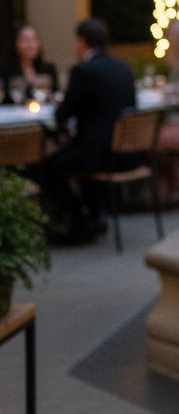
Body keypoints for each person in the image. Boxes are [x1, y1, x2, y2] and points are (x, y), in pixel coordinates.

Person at [28, 18, 136, 244]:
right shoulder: (123, 68)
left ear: (81, 41)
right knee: (68, 157)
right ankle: (92, 215)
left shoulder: (84, 71)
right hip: (129, 153)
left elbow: (63, 115)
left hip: (98, 154)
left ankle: (78, 217)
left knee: (46, 167)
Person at [1, 23, 60, 104]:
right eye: (25, 40)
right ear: (15, 44)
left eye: (34, 39)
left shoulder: (48, 68)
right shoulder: (4, 70)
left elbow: (56, 94)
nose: (30, 44)